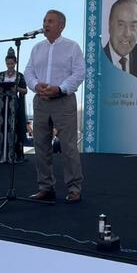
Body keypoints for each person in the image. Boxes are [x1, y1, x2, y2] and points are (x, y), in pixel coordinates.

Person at [24, 10, 85, 203]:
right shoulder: (37, 48)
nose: (45, 24)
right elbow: (28, 72)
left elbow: (79, 72)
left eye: (50, 21)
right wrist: (36, 85)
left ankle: (74, 188)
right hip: (41, 101)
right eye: (44, 20)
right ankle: (45, 188)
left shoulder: (72, 47)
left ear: (61, 26)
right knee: (41, 146)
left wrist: (60, 88)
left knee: (68, 147)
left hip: (63, 101)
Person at [0, 47, 28, 163]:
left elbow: (25, 90)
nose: (10, 66)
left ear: (15, 63)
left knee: (13, 127)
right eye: (8, 63)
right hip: (1, 105)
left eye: (12, 63)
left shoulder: (20, 76)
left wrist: (17, 89)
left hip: (13, 105)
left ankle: (13, 155)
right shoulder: (0, 75)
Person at [103, 0, 137, 84]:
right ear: (110, 25)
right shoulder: (96, 61)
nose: (127, 34)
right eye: (121, 25)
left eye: (133, 26)